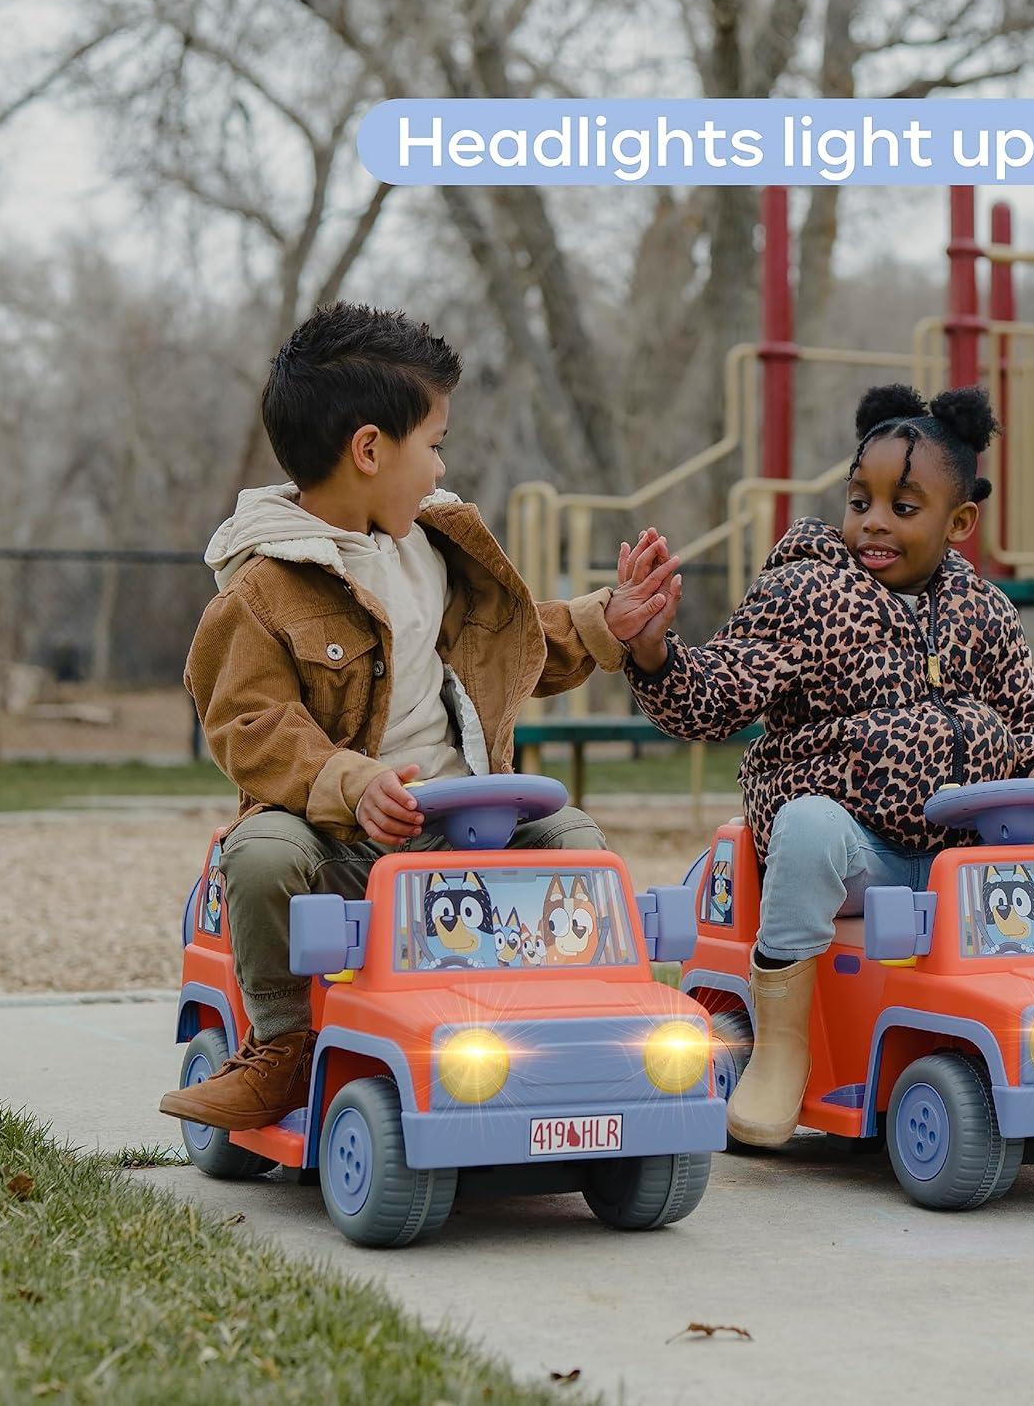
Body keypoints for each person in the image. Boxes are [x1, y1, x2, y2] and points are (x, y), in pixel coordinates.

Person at [159, 302, 677, 1131]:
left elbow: (501, 644)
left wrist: (597, 624)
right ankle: (283, 1046)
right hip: (337, 837)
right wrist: (347, 781)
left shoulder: (433, 549)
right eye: (433, 444)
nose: (439, 470)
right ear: (370, 449)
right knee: (256, 857)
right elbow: (250, 723)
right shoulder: (261, 590)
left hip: (463, 819)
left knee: (574, 842)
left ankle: (584, 1016)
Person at [623, 382, 1034, 1148]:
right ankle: (781, 1051)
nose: (872, 522)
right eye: (860, 499)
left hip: (967, 858)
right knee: (804, 824)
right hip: (858, 853)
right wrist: (652, 650)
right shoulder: (806, 593)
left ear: (958, 521)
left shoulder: (985, 612)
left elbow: (1032, 723)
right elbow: (711, 700)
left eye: (903, 508)